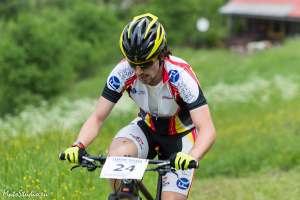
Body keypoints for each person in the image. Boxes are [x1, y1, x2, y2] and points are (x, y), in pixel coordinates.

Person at [63, 13, 216, 200]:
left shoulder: (180, 76)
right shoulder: (123, 72)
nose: (138, 71)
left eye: (145, 64)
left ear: (161, 56)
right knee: (118, 155)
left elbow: (207, 129)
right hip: (147, 127)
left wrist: (193, 156)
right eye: (133, 63)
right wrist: (79, 145)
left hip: (181, 136)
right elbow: (97, 117)